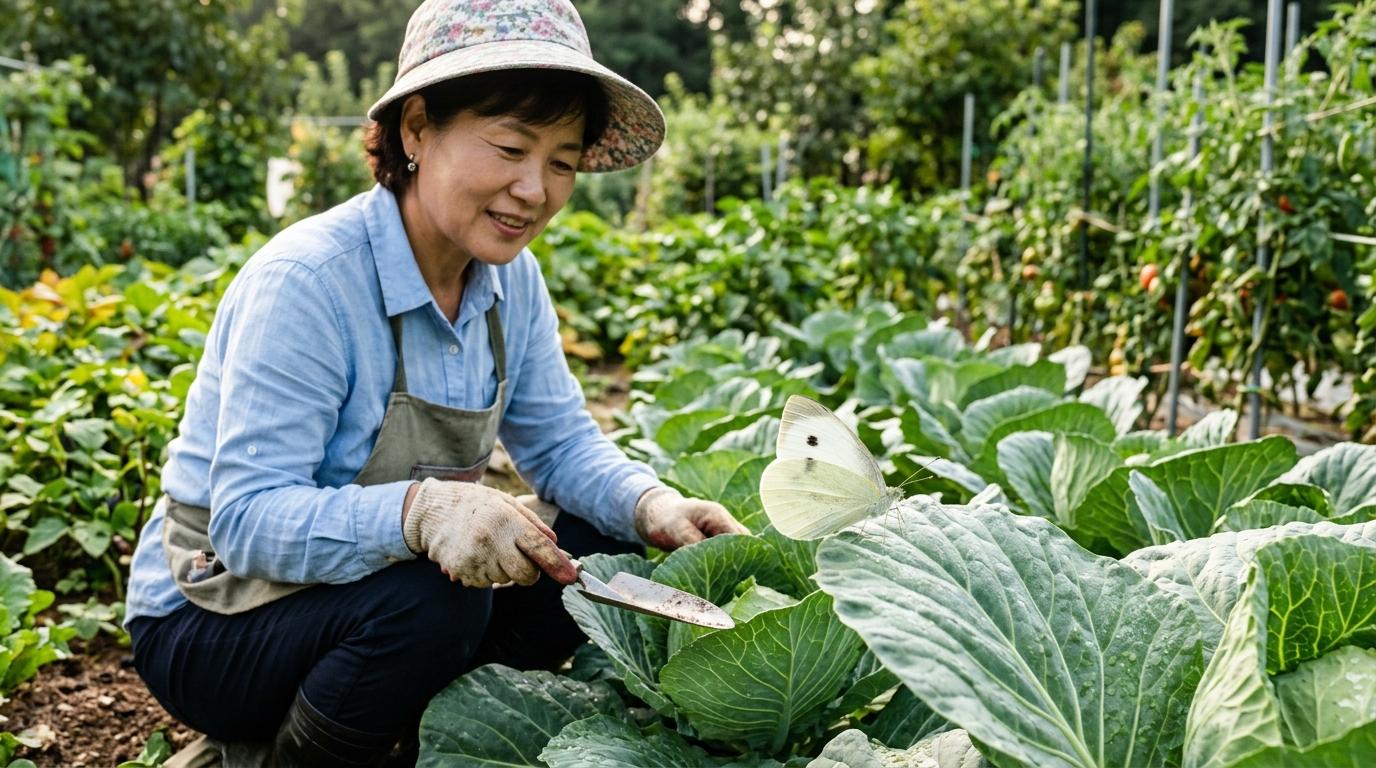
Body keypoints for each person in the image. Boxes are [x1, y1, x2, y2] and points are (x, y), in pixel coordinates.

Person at [122, 1, 749, 765]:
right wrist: (422, 511)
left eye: (561, 160)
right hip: (214, 617)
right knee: (437, 600)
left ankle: (420, 738)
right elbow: (247, 521)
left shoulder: (510, 284)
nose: (535, 189)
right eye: (511, 147)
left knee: (595, 546)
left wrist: (655, 506)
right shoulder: (309, 282)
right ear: (416, 130)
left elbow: (559, 445)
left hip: (367, 600)